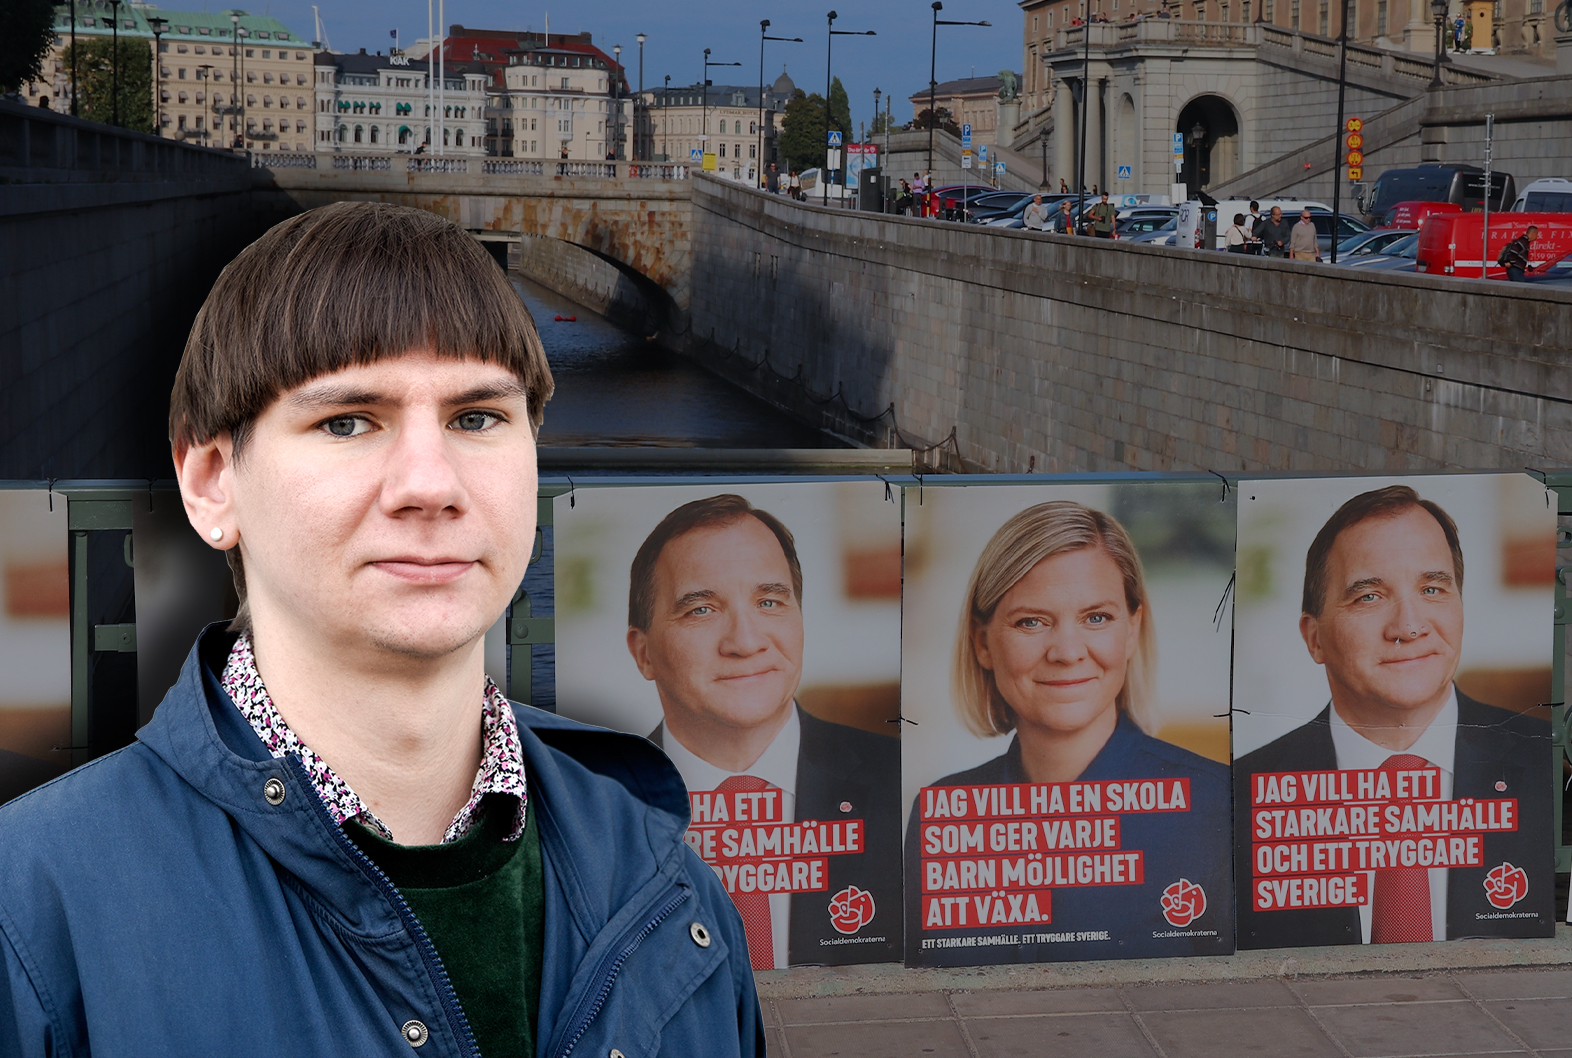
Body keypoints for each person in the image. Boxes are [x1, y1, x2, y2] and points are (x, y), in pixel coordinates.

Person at [0, 202, 764, 1056]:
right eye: (348, 421)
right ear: (212, 481)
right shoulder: (32, 909)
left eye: (477, 418)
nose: (429, 484)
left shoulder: (673, 895)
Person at [906, 502, 1232, 964]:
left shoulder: (1217, 807)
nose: (1066, 652)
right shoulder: (942, 816)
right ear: (983, 643)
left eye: (1096, 618)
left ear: (1131, 631)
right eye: (1031, 622)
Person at [1234, 486, 1553, 949]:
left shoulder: (1550, 764)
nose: (1408, 626)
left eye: (1432, 589)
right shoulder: (1240, 800)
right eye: (1369, 596)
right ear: (1314, 638)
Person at [626, 495, 902, 969]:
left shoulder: (902, 783)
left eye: (769, 602)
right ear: (644, 653)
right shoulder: (596, 808)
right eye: (701, 610)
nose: (746, 642)